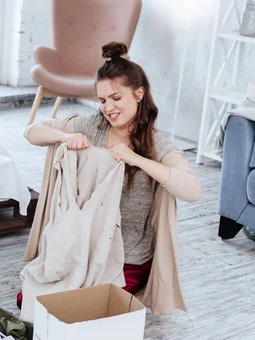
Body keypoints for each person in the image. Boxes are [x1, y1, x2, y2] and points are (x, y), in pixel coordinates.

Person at [23, 41, 201, 296]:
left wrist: (137, 160)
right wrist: (64, 138)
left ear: (139, 94)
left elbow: (193, 191)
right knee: (29, 299)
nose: (108, 108)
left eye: (116, 98)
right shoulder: (92, 126)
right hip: (84, 249)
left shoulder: (158, 146)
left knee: (89, 304)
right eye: (103, 100)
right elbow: (31, 132)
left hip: (127, 257)